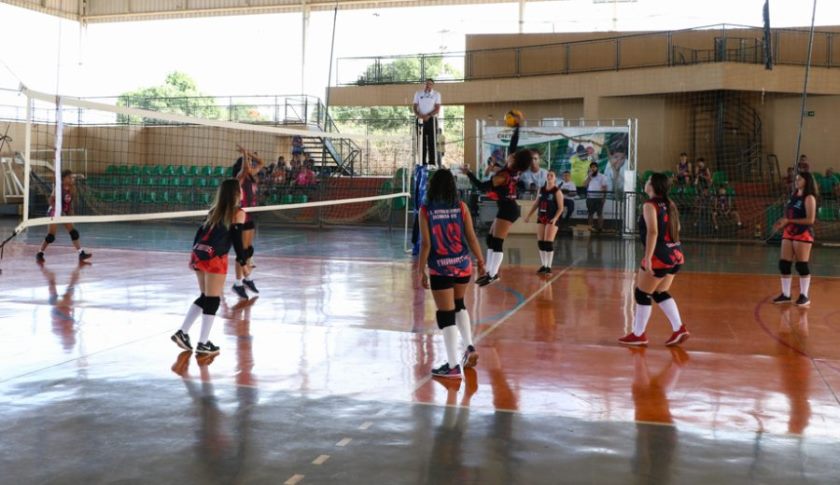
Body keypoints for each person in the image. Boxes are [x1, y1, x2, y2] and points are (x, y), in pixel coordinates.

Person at [416, 169, 485, 379]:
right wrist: (481, 261)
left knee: (445, 314)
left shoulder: (426, 210)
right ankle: (470, 346)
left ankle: (453, 366)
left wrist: (421, 270)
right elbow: (472, 237)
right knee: (459, 304)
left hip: (441, 266)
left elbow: (427, 244)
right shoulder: (461, 207)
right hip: (463, 264)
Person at [172, 179, 249, 356]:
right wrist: (243, 263)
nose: (242, 191)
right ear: (236, 193)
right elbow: (238, 241)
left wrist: (192, 256)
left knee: (205, 296)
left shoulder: (214, 211)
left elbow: (199, 233)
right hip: (215, 258)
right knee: (212, 299)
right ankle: (203, 343)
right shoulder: (238, 213)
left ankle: (182, 333)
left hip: (200, 254)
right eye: (240, 189)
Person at [619, 173, 689, 347]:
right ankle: (679, 328)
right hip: (676, 254)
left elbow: (653, 232)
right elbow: (677, 227)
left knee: (642, 293)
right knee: (659, 292)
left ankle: (639, 334)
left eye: (648, 180)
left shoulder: (649, 205)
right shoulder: (670, 203)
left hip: (660, 256)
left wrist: (649, 258)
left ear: (653, 185)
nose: (646, 182)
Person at [463, 112, 532, 286]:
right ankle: (490, 272)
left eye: (512, 155)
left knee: (497, 242)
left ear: (513, 160)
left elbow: (481, 187)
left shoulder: (503, 175)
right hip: (507, 207)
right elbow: (513, 145)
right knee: (490, 240)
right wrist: (517, 128)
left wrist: (469, 173)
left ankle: (493, 274)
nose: (510, 154)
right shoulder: (513, 170)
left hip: (508, 209)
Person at [772, 172, 818, 307]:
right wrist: (782, 223)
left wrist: (789, 220)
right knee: (784, 264)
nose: (796, 181)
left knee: (801, 265)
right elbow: (789, 214)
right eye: (796, 179)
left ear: (807, 181)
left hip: (802, 233)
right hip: (789, 232)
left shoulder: (809, 198)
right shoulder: (793, 196)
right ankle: (786, 295)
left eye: (799, 179)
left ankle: (804, 296)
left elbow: (810, 220)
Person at [36, 169, 93, 263]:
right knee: (51, 237)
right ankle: (40, 253)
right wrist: (59, 211)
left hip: (64, 213)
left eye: (72, 177)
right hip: (54, 212)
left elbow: (70, 203)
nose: (71, 179)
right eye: (69, 177)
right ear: (63, 179)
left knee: (74, 232)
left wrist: (70, 213)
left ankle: (81, 253)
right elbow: (51, 201)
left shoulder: (72, 189)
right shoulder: (58, 187)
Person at [231, 145, 263, 299]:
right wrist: (245, 154)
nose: (251, 165)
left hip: (251, 215)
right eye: (248, 163)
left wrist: (250, 153)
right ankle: (238, 283)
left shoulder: (251, 176)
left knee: (249, 250)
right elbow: (245, 169)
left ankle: (247, 279)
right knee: (242, 252)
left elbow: (261, 163)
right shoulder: (240, 176)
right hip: (241, 215)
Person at [524, 171, 563, 274]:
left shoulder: (557, 191)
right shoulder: (541, 189)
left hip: (551, 218)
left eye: (552, 175)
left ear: (555, 178)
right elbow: (536, 203)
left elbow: (560, 208)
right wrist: (528, 215)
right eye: (548, 175)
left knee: (548, 243)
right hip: (541, 217)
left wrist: (555, 218)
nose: (549, 177)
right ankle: (544, 265)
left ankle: (549, 267)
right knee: (541, 243)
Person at [413, 78, 441, 166]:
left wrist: (428, 115)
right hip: (420, 119)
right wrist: (419, 115)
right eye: (426, 83)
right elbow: (414, 106)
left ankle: (432, 162)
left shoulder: (436, 94)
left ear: (432, 85)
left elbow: (437, 108)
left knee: (432, 141)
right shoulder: (418, 93)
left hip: (431, 120)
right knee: (421, 141)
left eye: (430, 84)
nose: (428, 85)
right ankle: (422, 162)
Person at [584, 162, 609, 232]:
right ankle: (590, 228)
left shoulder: (602, 176)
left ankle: (600, 228)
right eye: (591, 167)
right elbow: (584, 185)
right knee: (590, 214)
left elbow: (605, 187)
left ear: (597, 168)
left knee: (600, 214)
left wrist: (604, 198)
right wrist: (589, 177)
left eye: (594, 167)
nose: (593, 168)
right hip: (590, 198)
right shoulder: (588, 176)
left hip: (599, 198)